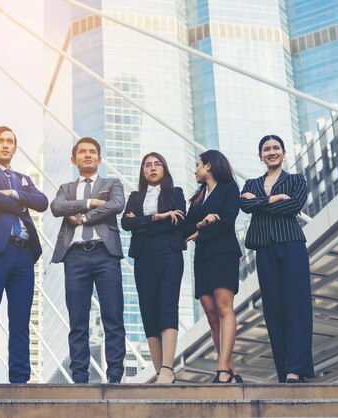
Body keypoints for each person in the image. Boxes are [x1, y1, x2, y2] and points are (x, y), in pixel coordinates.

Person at [0, 126, 48, 383]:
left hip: (24, 254)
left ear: (15, 147)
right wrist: (24, 201)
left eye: (10, 141)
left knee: (21, 319)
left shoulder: (23, 178)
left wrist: (13, 194)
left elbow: (43, 202)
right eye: (0, 141)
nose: (5, 145)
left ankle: (20, 378)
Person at [50, 137, 126, 384]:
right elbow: (56, 207)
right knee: (77, 319)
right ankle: (80, 377)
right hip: (75, 256)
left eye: (93, 152)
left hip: (106, 254)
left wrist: (83, 217)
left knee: (113, 316)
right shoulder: (65, 188)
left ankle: (115, 374)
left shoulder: (111, 183)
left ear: (99, 158)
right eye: (82, 152)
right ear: (74, 159)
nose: (88, 155)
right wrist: (90, 202)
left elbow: (117, 204)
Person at [240, 134, 314, 383]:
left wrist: (260, 203)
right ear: (260, 155)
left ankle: (296, 368)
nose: (271, 152)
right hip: (264, 249)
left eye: (276, 148)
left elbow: (293, 207)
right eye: (266, 149)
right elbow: (245, 207)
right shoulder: (250, 183)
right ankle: (285, 372)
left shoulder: (296, 180)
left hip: (291, 244)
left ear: (284, 153)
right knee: (273, 309)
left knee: (297, 305)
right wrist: (274, 199)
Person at [121, 152, 185, 384]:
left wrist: (143, 222)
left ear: (164, 168)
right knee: (149, 310)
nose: (152, 168)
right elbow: (126, 223)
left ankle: (168, 368)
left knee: (167, 306)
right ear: (143, 171)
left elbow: (179, 220)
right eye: (147, 165)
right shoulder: (135, 196)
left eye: (158, 164)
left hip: (169, 254)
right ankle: (160, 373)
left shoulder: (176, 194)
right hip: (143, 257)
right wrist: (159, 217)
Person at [181, 150, 242, 383]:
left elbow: (227, 223)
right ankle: (230, 370)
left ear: (208, 166)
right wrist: (201, 224)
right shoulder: (196, 198)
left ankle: (223, 370)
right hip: (203, 257)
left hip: (224, 253)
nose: (195, 170)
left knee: (224, 307)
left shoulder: (229, 189)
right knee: (210, 313)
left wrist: (198, 232)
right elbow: (185, 229)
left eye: (197, 165)